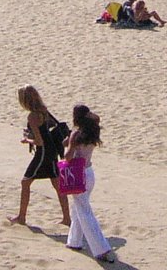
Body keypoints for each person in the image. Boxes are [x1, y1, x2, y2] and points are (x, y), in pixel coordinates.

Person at [8, 85, 70, 226]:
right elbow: (46, 130)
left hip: (43, 153)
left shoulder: (32, 116)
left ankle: (21, 217)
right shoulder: (43, 110)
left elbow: (39, 141)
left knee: (26, 182)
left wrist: (27, 139)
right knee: (57, 183)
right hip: (52, 150)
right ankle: (67, 218)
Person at [63, 105, 116, 263]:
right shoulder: (92, 132)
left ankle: (101, 249)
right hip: (89, 172)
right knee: (78, 207)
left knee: (84, 211)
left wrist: (67, 144)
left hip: (78, 173)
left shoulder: (76, 134)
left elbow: (68, 157)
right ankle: (74, 241)